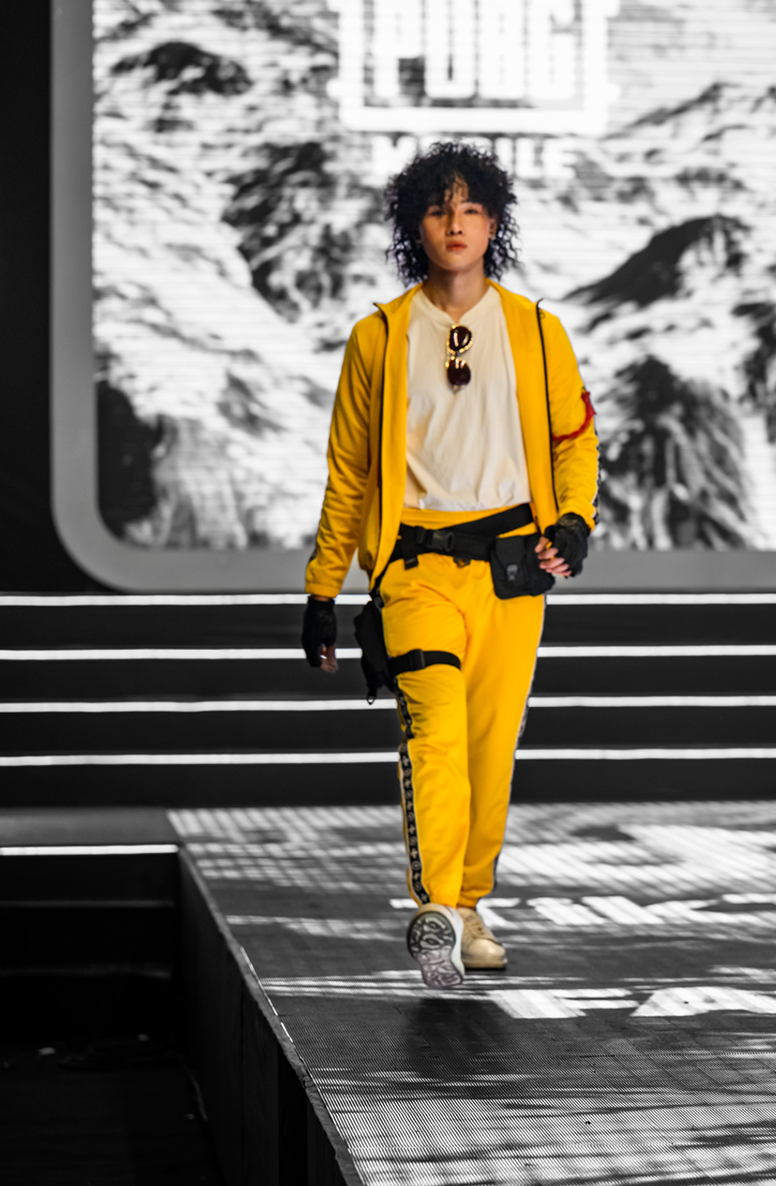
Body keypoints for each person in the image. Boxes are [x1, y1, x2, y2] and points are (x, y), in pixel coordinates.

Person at [300, 142, 599, 990]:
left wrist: (574, 521)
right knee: (434, 735)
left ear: (494, 222)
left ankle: (467, 905)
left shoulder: (536, 332)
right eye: (438, 209)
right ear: (415, 227)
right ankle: (435, 904)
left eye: (470, 208)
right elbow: (349, 473)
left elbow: (575, 444)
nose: (455, 224)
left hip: (511, 568)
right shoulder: (379, 338)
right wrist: (323, 589)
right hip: (415, 569)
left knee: (489, 749)